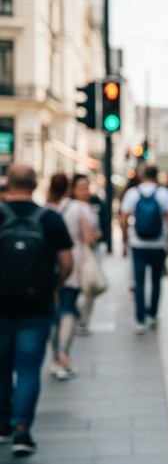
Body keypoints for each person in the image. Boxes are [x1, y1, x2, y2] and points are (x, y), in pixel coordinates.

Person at [0, 163, 73, 455]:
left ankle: (2, 425)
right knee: (29, 368)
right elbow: (67, 263)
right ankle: (22, 429)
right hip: (37, 306)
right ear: (35, 185)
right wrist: (54, 287)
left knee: (1, 368)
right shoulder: (50, 218)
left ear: (8, 184)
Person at [47, 174, 99, 379]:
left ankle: (54, 360)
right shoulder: (79, 208)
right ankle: (64, 356)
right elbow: (89, 239)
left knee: (54, 314)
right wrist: (96, 235)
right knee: (68, 310)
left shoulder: (46, 210)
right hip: (73, 263)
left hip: (49, 267)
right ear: (68, 188)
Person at [119, 165, 168, 334]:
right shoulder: (164, 193)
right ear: (157, 176)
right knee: (156, 281)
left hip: (138, 244)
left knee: (139, 282)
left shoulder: (133, 193)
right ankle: (153, 315)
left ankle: (140, 320)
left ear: (142, 176)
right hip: (158, 244)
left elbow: (123, 219)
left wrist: (124, 240)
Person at [72, 175, 103, 336]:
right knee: (82, 287)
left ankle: (83, 319)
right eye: (81, 187)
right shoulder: (76, 207)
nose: (85, 191)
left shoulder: (92, 204)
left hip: (91, 253)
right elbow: (88, 237)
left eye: (86, 186)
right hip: (80, 253)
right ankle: (80, 318)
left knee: (89, 286)